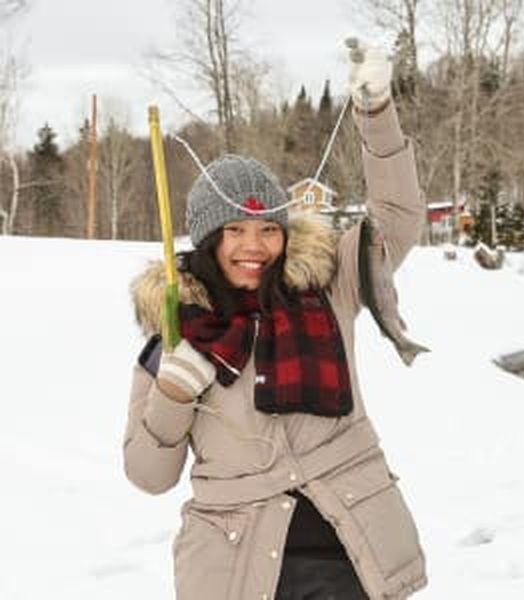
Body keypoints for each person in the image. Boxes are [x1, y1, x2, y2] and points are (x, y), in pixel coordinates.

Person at [123, 38, 427, 600]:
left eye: (268, 229)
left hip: (352, 555)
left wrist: (377, 114)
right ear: (208, 240)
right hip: (238, 570)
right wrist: (171, 394)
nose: (254, 246)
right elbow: (148, 475)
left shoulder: (327, 285)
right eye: (234, 231)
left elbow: (399, 216)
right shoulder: (176, 332)